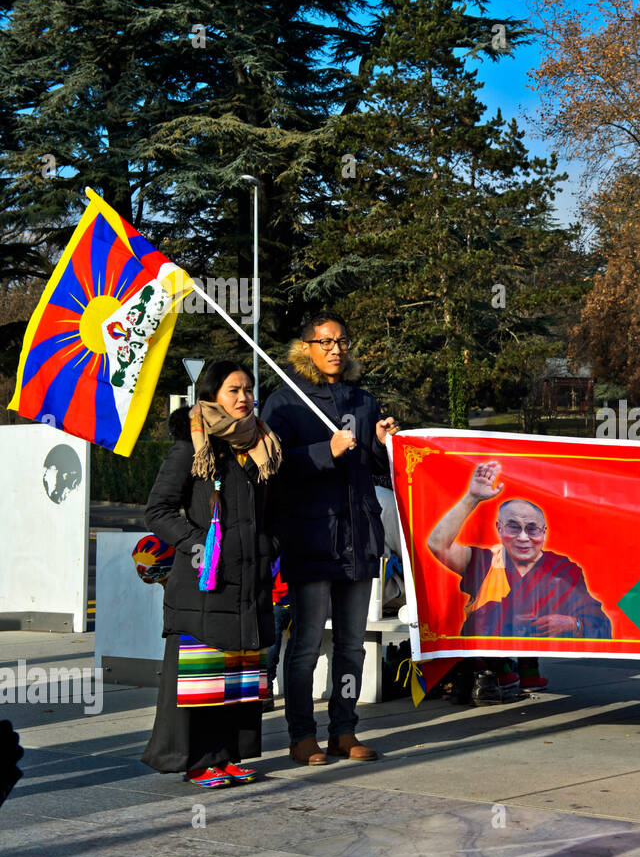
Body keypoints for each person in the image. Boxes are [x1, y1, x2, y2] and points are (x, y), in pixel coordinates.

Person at [261, 312, 398, 766]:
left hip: (359, 537)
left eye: (341, 341)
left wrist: (380, 443)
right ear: (305, 349)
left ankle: (344, 730)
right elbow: (270, 467)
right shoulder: (284, 403)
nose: (336, 349)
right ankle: (301, 734)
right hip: (311, 535)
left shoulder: (363, 400)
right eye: (325, 342)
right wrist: (325, 451)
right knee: (304, 645)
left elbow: (375, 470)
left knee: (352, 645)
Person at [142, 360, 282, 787]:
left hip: (249, 582)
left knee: (235, 676)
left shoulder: (262, 446)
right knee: (201, 677)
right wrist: (195, 542)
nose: (243, 397)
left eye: (247, 389)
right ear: (211, 397)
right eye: (233, 390)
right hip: (204, 584)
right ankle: (198, 761)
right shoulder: (193, 444)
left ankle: (227, 756)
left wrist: (269, 546)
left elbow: (273, 512)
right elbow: (158, 510)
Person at [427, 461, 613, 661]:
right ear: (499, 528)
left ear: (543, 533)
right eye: (513, 527)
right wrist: (471, 498)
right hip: (486, 668)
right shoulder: (485, 563)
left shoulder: (564, 570)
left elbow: (600, 622)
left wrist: (572, 623)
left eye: (532, 529)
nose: (523, 537)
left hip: (543, 669)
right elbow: (438, 545)